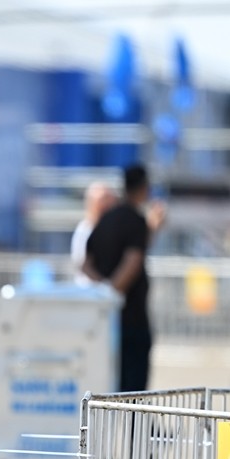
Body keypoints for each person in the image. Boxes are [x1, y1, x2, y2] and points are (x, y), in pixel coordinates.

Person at [83, 164, 165, 392]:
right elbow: (133, 260)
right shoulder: (136, 221)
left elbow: (85, 264)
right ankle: (134, 429)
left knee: (110, 385)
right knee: (134, 390)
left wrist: (102, 288)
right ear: (143, 188)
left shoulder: (106, 219)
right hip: (132, 319)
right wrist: (113, 291)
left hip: (105, 320)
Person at [70, 182, 117, 277]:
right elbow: (84, 266)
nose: (106, 205)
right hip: (90, 289)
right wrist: (106, 285)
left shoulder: (115, 229)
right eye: (102, 201)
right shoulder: (84, 230)